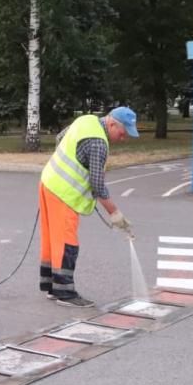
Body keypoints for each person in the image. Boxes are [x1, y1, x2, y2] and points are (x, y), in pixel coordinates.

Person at [38, 106, 138, 307]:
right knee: (67, 242)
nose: (122, 138)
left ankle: (52, 287)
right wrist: (115, 214)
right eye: (122, 133)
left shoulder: (86, 120)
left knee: (52, 239)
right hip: (63, 193)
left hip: (48, 183)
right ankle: (65, 293)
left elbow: (60, 138)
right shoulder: (98, 143)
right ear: (111, 124)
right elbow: (98, 185)